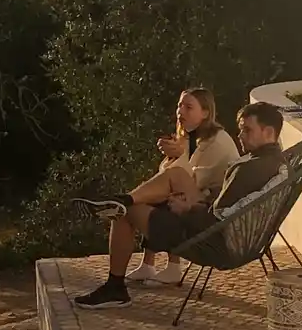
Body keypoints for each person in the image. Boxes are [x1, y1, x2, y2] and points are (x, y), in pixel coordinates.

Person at [72, 101, 286, 310]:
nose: (240, 135)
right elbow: (227, 207)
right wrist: (200, 202)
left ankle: (115, 287)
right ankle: (124, 199)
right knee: (176, 174)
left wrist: (187, 210)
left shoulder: (249, 169)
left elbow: (215, 221)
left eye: (247, 130)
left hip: (209, 240)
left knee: (125, 213)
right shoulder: (273, 161)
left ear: (268, 132)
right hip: (224, 231)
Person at [102, 87, 240, 284]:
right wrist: (172, 155)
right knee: (152, 193)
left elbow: (190, 180)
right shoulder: (192, 136)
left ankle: (125, 201)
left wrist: (179, 155)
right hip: (199, 198)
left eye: (188, 107)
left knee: (150, 198)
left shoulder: (217, 142)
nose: (180, 111)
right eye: (179, 106)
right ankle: (148, 264)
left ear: (205, 112)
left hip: (209, 209)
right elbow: (166, 175)